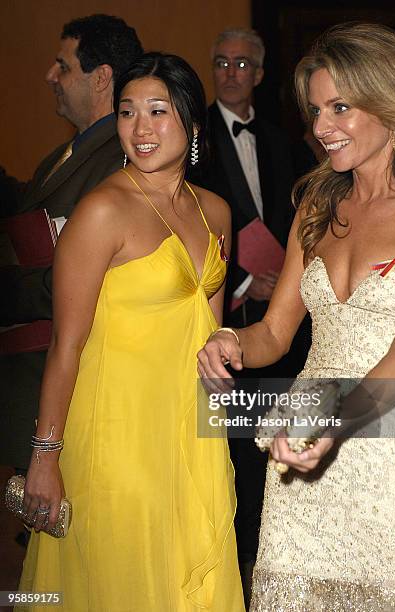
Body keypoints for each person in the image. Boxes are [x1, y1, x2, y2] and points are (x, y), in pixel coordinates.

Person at [198, 22, 395, 611]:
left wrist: (336, 418)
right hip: (301, 445)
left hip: (394, 453)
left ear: (391, 103)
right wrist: (231, 339)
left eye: (341, 107)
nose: (321, 128)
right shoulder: (317, 202)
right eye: (315, 110)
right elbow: (275, 334)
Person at [17, 52, 244, 611]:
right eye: (126, 112)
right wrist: (44, 458)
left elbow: (210, 334)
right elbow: (64, 346)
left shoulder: (215, 211)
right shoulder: (102, 211)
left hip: (191, 433)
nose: (140, 129)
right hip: (116, 433)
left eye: (158, 111)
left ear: (192, 123)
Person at [189, 29, 312, 598]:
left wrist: (284, 275)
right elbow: (189, 224)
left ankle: (267, 545)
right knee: (233, 439)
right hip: (227, 304)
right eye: (221, 62)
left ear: (260, 73)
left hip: (288, 302)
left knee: (278, 427)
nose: (231, 71)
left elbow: (293, 217)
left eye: (242, 63)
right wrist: (242, 281)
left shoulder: (284, 139)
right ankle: (236, 554)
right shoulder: (195, 138)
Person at [0, 14, 143, 470]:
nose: (50, 77)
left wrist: (8, 292)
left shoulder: (119, 159)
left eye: (62, 66)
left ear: (101, 78)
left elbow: (93, 276)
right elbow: (28, 211)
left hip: (69, 377)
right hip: (32, 366)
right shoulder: (66, 153)